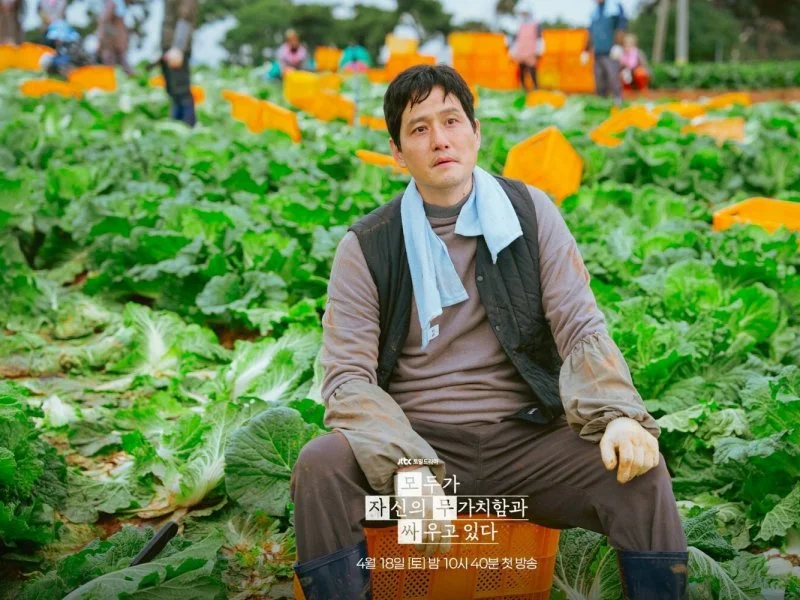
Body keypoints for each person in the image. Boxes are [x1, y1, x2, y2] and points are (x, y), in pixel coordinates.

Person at [290, 64, 689, 600]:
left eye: (452, 121)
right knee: (320, 467)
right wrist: (407, 466)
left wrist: (617, 414)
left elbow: (579, 325)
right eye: (419, 129)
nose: (440, 140)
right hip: (421, 446)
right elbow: (347, 378)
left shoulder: (532, 213)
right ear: (397, 152)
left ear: (476, 133)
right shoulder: (367, 246)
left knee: (640, 472)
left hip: (526, 449)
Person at [160, 0, 198, 127]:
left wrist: (178, 47)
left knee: (181, 91)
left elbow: (186, 17)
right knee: (173, 92)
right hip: (169, 46)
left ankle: (187, 129)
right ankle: (176, 128)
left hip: (177, 48)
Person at [582, 0, 628, 104]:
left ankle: (617, 102)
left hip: (611, 52)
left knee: (613, 78)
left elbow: (621, 27)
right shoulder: (594, 12)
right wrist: (585, 50)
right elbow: (591, 32)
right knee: (599, 80)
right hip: (598, 52)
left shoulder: (615, 8)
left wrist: (618, 45)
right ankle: (602, 104)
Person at [510, 5, 543, 92]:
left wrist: (539, 50)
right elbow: (516, 39)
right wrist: (513, 51)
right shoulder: (519, 25)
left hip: (531, 51)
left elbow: (539, 38)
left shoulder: (536, 24)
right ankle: (523, 89)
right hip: (521, 51)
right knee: (521, 70)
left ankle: (536, 88)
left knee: (532, 70)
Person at [97, 0, 133, 76]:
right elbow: (104, 21)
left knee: (123, 68)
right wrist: (113, 38)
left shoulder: (120, 5)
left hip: (118, 46)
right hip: (111, 45)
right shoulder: (114, 3)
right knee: (111, 69)